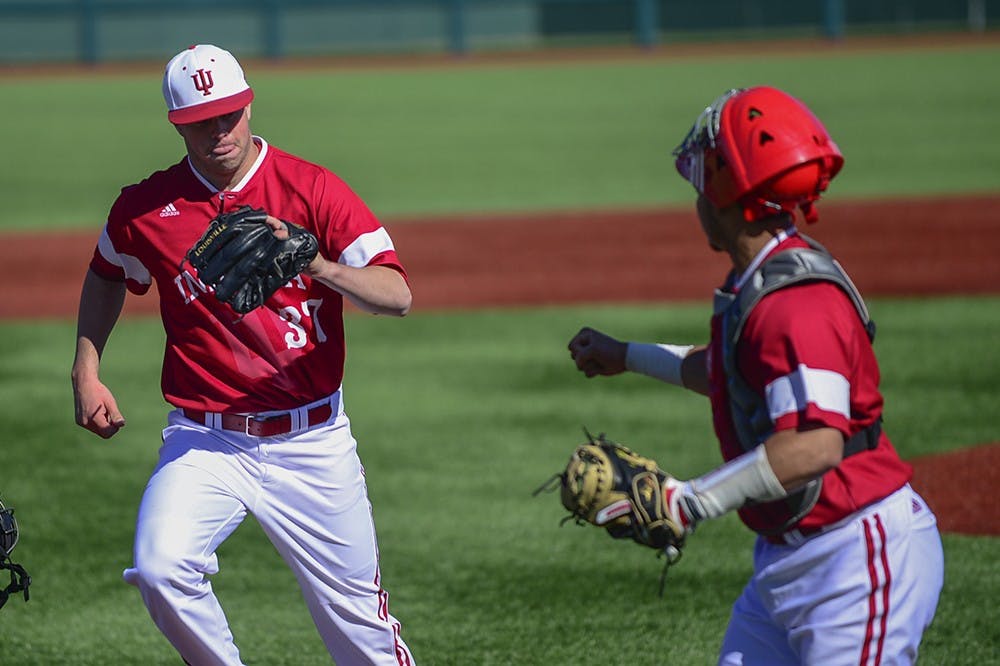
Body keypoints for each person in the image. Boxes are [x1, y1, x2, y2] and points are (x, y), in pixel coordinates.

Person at [568, 87, 943, 665]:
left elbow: (817, 444)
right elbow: (722, 374)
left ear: (724, 194)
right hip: (789, 559)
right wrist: (626, 354)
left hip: (855, 557)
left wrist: (690, 502)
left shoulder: (795, 305)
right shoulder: (760, 283)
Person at [71, 44, 415, 665]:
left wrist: (316, 263)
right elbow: (105, 273)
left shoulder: (312, 188)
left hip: (312, 441)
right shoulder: (144, 210)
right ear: (177, 124)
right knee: (159, 569)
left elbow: (397, 296)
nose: (218, 131)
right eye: (200, 121)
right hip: (206, 438)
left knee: (357, 623)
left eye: (228, 114)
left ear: (250, 104)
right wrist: (86, 369)